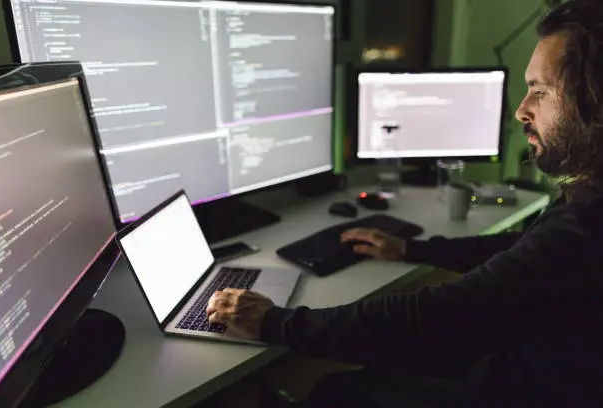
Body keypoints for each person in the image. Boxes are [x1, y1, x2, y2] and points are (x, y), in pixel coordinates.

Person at [207, 1, 603, 406]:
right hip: (533, 366)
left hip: (523, 390)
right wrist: (412, 249)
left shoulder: (586, 224)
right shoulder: (586, 201)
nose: (521, 110)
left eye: (541, 91)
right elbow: (520, 254)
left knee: (340, 390)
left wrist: (277, 322)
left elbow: (439, 317)